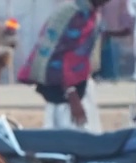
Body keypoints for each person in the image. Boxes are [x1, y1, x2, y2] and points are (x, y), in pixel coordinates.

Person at [17, 0, 112, 132]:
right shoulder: (73, 13)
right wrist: (72, 94)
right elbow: (58, 56)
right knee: (70, 141)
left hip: (80, 87)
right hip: (66, 93)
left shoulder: (90, 12)